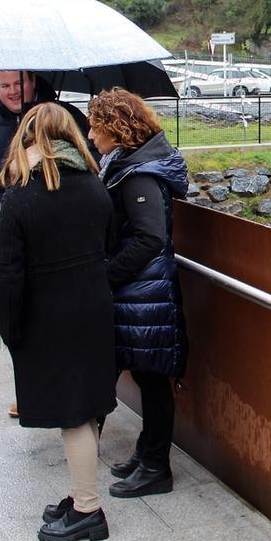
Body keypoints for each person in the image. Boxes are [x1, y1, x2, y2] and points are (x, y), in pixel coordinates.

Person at [0, 102, 116, 541]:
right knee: (87, 406)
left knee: (73, 415)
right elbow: (110, 243)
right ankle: (80, 493)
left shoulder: (20, 195)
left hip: (49, 317)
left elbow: (5, 273)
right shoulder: (95, 186)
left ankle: (87, 510)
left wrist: (9, 326)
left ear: (27, 137)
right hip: (95, 308)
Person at [0, 70, 90, 419]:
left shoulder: (63, 120)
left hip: (55, 248)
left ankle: (63, 391)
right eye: (5, 86)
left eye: (18, 84)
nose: (12, 92)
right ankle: (28, 389)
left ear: (33, 81)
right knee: (14, 316)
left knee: (57, 321)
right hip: (4, 242)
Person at [87, 88, 189, 499]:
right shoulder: (127, 165)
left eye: (95, 127)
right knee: (148, 376)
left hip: (144, 292)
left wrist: (108, 275)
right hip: (140, 291)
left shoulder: (140, 175)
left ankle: (155, 466)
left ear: (117, 128)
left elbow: (149, 238)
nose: (91, 136)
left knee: (151, 377)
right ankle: (148, 453)